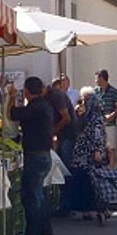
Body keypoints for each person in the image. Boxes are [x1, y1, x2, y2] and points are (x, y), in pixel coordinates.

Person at [7, 76, 55, 235]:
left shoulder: (35, 107)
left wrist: (11, 97)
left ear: (27, 91)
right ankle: (44, 227)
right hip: (44, 155)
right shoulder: (45, 105)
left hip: (35, 156)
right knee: (38, 194)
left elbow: (12, 114)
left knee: (31, 195)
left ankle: (34, 231)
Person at [68, 87, 107, 220]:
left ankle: (94, 208)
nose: (82, 102)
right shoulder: (82, 114)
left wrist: (97, 150)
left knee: (92, 180)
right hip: (81, 151)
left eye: (84, 100)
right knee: (81, 179)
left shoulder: (96, 116)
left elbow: (98, 134)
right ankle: (84, 208)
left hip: (90, 152)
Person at [46, 76, 75, 216]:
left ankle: (66, 205)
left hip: (68, 135)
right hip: (66, 136)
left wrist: (53, 131)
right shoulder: (56, 95)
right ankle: (65, 204)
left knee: (65, 169)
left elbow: (66, 117)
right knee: (64, 168)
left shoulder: (56, 97)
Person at [95, 69, 117, 165]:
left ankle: (111, 169)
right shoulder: (95, 91)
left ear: (103, 78)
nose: (96, 81)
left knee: (111, 149)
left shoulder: (113, 92)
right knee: (98, 148)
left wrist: (112, 115)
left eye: (97, 78)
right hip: (98, 125)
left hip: (110, 124)